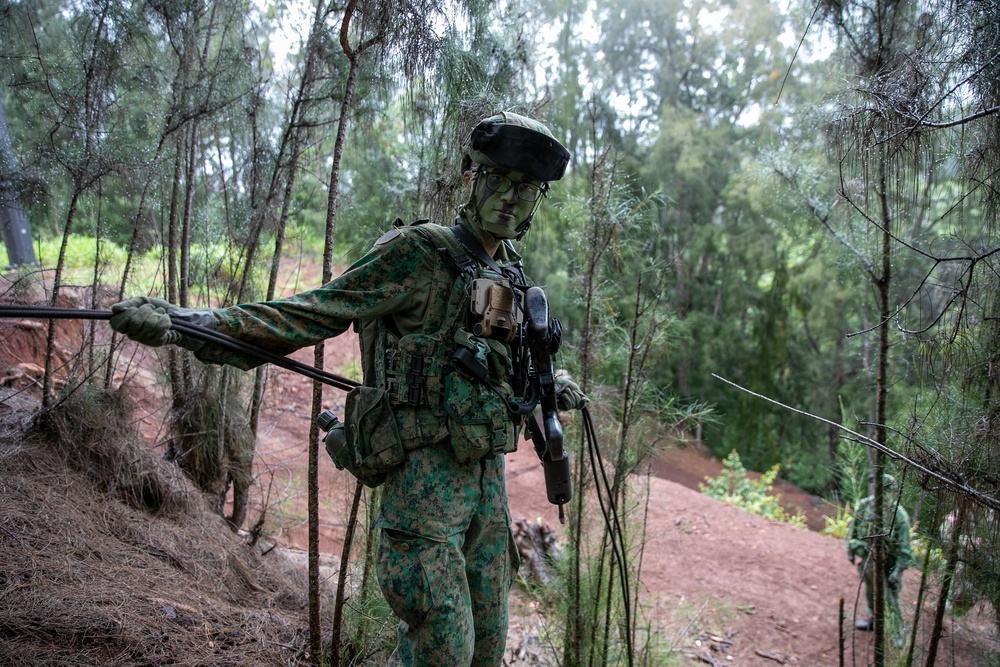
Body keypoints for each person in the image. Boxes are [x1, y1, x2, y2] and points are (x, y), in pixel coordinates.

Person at [109, 111, 587, 667]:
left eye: (525, 189)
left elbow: (501, 372)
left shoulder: (510, 277)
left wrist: (556, 385)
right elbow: (312, 312)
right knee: (441, 654)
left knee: (483, 652)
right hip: (421, 494)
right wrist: (186, 324)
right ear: (469, 178)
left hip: (486, 490)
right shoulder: (419, 255)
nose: (510, 198)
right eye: (498, 181)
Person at [846, 474, 915, 646]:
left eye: (883, 489)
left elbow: (905, 548)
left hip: (889, 564)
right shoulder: (864, 506)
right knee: (871, 592)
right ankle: (874, 620)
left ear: (890, 490)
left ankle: (896, 632)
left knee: (890, 598)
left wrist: (898, 571)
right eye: (875, 487)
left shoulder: (898, 515)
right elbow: (853, 531)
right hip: (869, 559)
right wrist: (851, 550)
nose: (878, 493)